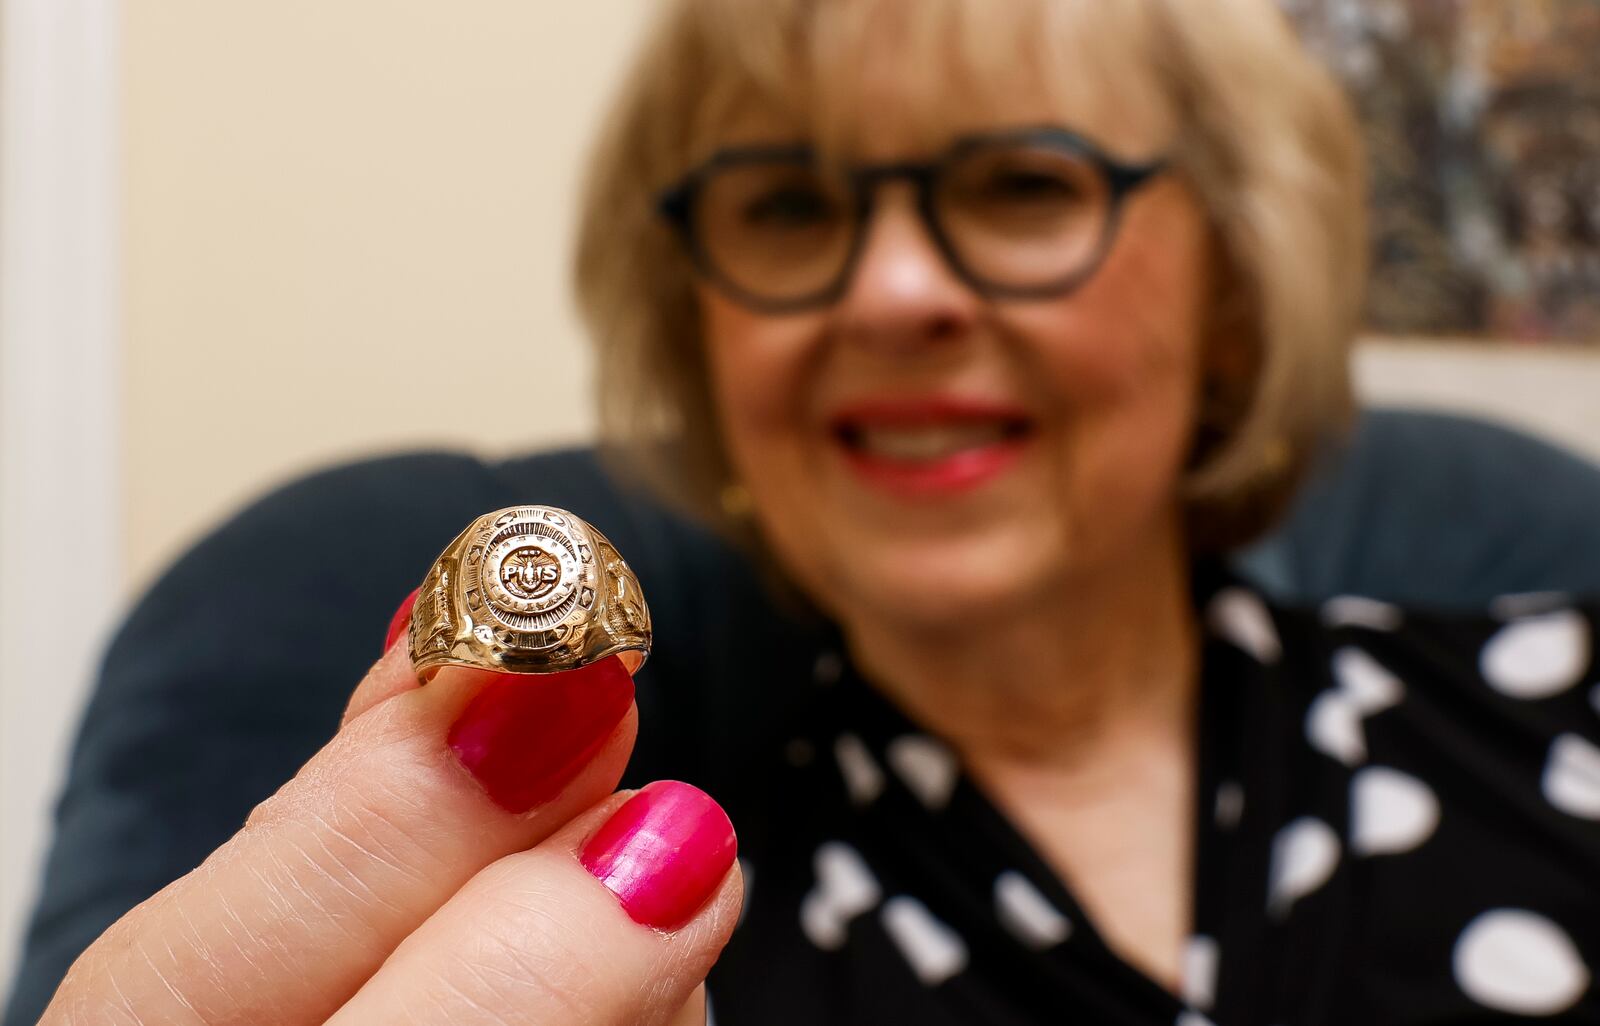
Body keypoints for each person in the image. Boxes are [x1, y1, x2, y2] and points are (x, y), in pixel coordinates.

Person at [8, 0, 1600, 1023]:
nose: (894, 289)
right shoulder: (614, 912)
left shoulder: (1561, 707)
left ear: (1236, 289)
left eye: (1022, 186)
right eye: (788, 205)